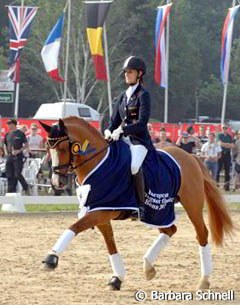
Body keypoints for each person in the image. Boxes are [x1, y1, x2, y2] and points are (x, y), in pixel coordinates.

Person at [104, 56, 154, 204]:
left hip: (139, 141)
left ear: (139, 74)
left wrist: (122, 131)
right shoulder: (122, 97)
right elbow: (114, 122)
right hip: (122, 140)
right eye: (125, 72)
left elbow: (141, 123)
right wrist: (108, 131)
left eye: (130, 72)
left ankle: (141, 204)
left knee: (133, 166)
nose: (126, 74)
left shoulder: (143, 95)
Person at [3, 118, 30, 194]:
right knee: (9, 175)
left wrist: (19, 150)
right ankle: (10, 192)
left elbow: (26, 145)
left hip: (18, 157)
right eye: (7, 124)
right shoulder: (7, 134)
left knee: (17, 174)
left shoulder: (20, 133)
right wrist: (6, 153)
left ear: (14, 124)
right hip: (9, 156)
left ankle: (26, 188)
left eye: (9, 124)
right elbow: (5, 145)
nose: (8, 125)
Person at [216, 124, 234, 191]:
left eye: (225, 128)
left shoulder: (229, 136)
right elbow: (220, 143)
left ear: (227, 128)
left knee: (227, 170)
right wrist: (228, 144)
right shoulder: (219, 135)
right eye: (223, 128)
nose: (224, 129)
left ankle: (226, 187)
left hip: (227, 154)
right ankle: (216, 185)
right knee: (218, 170)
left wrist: (225, 144)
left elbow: (232, 145)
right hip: (221, 153)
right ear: (221, 128)